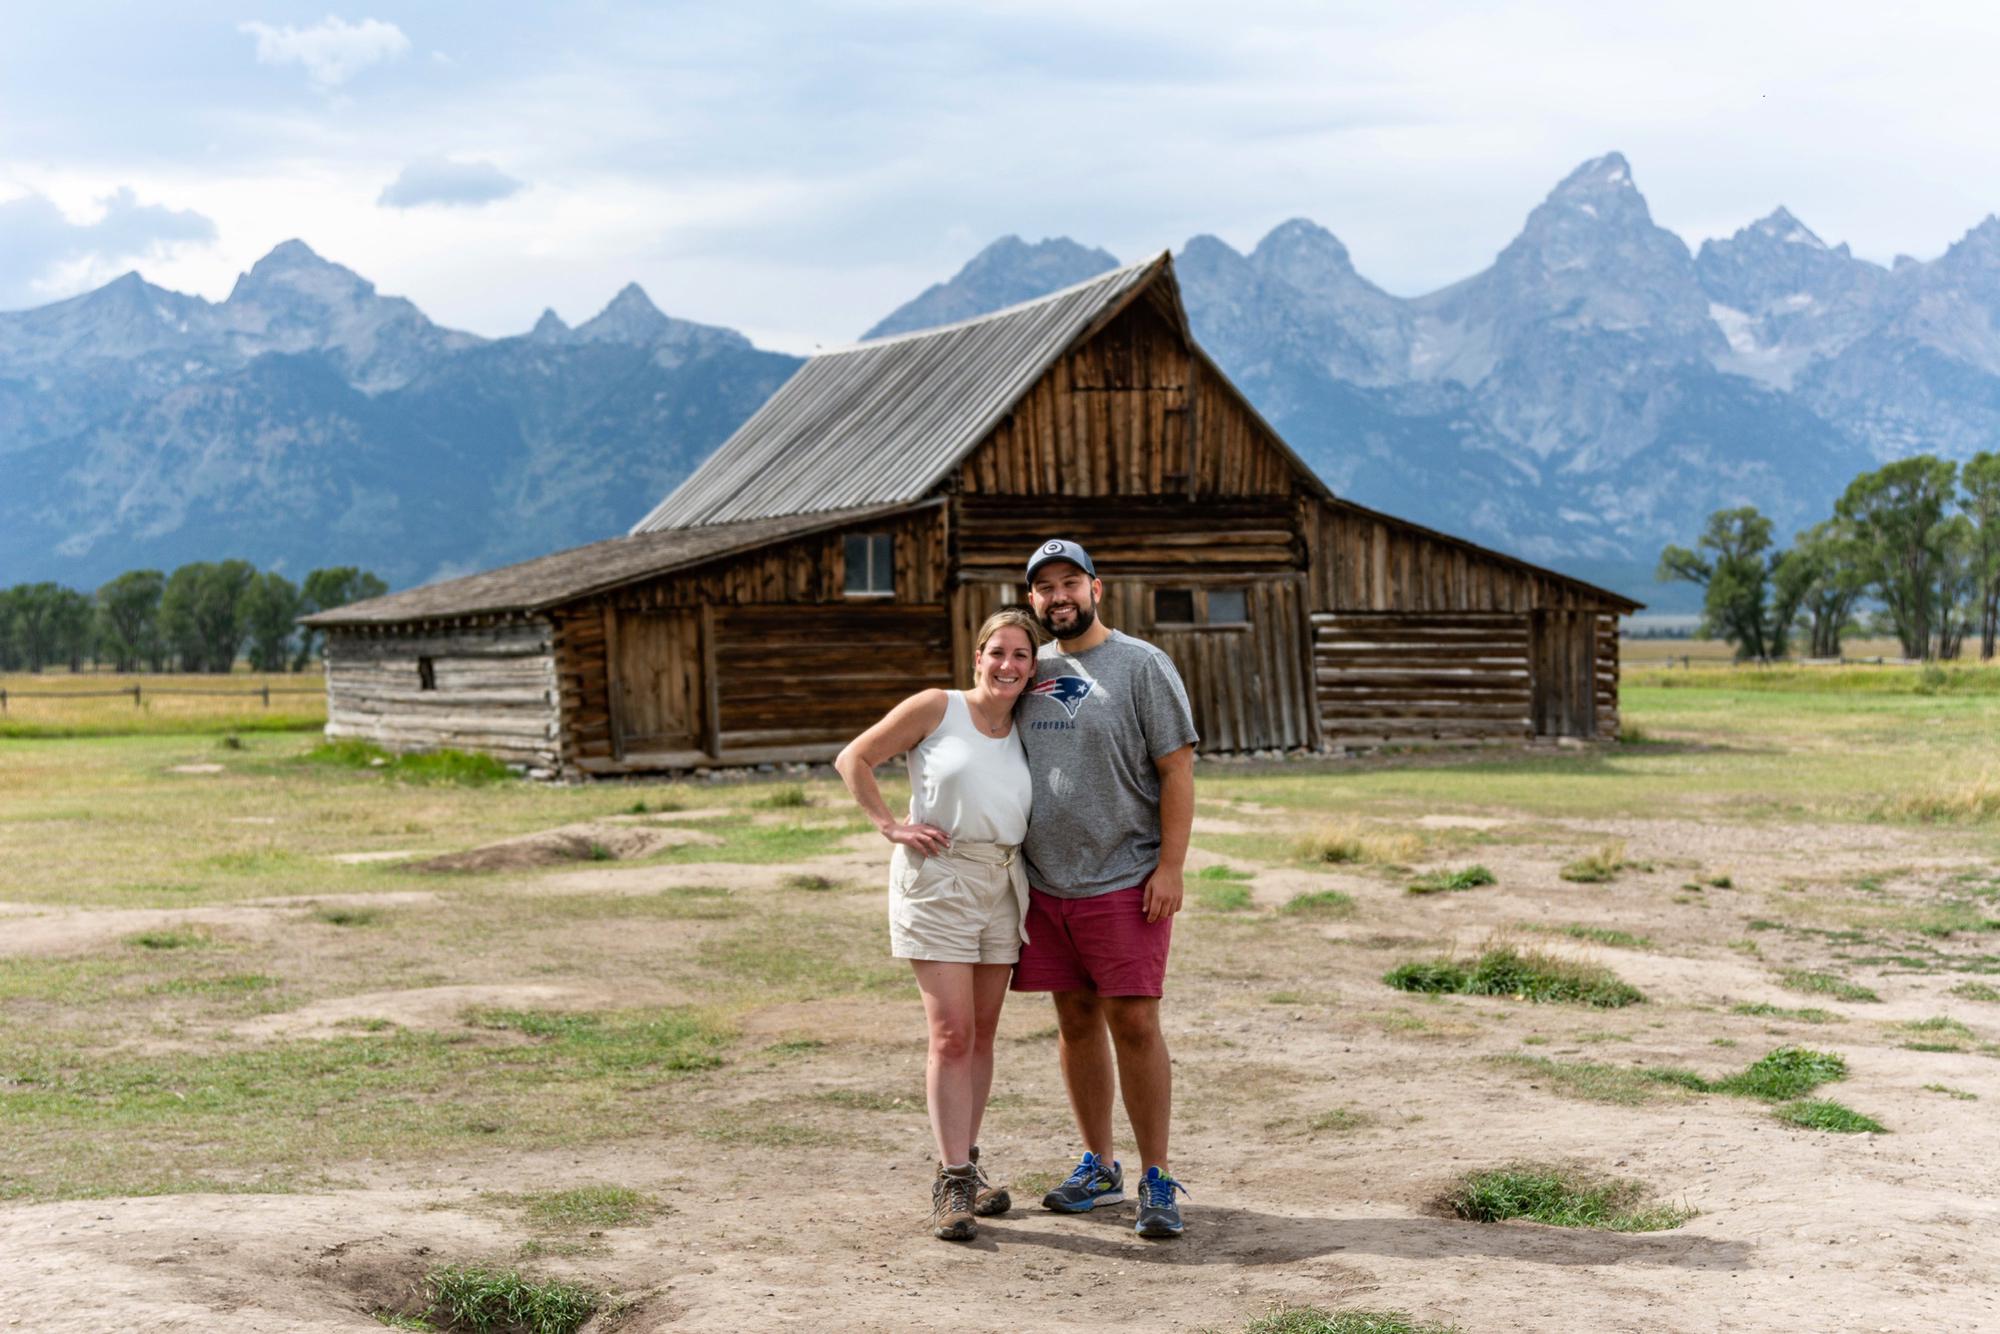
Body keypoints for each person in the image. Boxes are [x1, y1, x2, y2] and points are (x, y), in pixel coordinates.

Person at [833, 607, 1041, 1242]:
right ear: (977, 657)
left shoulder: (1030, 725)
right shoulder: (937, 707)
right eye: (997, 652)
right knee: (951, 1035)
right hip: (940, 878)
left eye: (1021, 655)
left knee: (982, 1037)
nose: (1007, 665)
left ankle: (967, 1165)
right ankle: (951, 1182)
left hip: (1004, 882)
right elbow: (853, 758)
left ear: (1033, 667)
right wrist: (890, 825)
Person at [1013, 539, 1198, 1240]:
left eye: (1071, 582)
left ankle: (1157, 1176)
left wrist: (1171, 867)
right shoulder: (1028, 668)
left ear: (1096, 588)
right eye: (1045, 587)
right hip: (1045, 883)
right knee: (1075, 1020)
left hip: (1125, 877)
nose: (1058, 596)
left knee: (1136, 1022)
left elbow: (1177, 770)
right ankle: (1099, 1165)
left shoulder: (1142, 664)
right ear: (1032, 599)